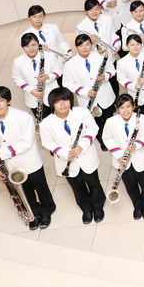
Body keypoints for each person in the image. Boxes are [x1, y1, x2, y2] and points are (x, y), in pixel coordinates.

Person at [0, 86, 56, 230]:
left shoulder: (24, 117)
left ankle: (48, 209)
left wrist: (0, 152)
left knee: (41, 188)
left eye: (1, 100)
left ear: (9, 101)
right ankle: (33, 212)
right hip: (10, 165)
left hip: (29, 161)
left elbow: (26, 144)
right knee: (23, 191)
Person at [39, 87, 105, 224]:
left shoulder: (82, 112)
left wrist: (81, 146)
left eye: (65, 100)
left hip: (86, 155)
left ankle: (98, 206)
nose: (62, 104)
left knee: (94, 183)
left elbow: (93, 129)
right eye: (58, 102)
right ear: (52, 105)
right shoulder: (46, 123)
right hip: (66, 161)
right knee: (77, 187)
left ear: (70, 101)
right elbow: (47, 142)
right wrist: (64, 153)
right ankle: (86, 209)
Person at [102, 94, 144, 220]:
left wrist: (137, 145)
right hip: (122, 160)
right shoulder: (111, 122)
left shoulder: (143, 119)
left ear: (134, 106)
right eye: (121, 108)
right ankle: (137, 204)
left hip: (141, 157)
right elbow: (107, 139)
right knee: (130, 184)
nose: (125, 110)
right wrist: (119, 155)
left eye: (128, 106)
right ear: (117, 109)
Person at [62, 35, 116, 145]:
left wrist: (105, 76)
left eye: (87, 44)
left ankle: (114, 139)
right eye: (81, 45)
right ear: (76, 47)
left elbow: (112, 70)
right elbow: (67, 84)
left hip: (105, 95)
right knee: (95, 122)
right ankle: (103, 142)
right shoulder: (70, 64)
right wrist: (85, 92)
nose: (84, 48)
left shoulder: (100, 56)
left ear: (91, 45)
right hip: (87, 99)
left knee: (109, 119)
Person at [12, 33, 61, 122]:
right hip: (33, 98)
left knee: (58, 120)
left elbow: (58, 71)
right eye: (27, 46)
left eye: (33, 45)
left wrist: (48, 76)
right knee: (44, 122)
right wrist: (31, 90)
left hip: (52, 94)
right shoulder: (18, 61)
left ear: (38, 43)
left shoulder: (49, 56)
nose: (31, 49)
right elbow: (17, 79)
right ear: (22, 47)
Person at [117, 33, 144, 120]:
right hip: (136, 96)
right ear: (127, 46)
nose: (135, 47)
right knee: (142, 120)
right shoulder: (122, 62)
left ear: (141, 45)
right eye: (132, 45)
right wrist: (134, 85)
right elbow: (121, 79)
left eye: (138, 44)